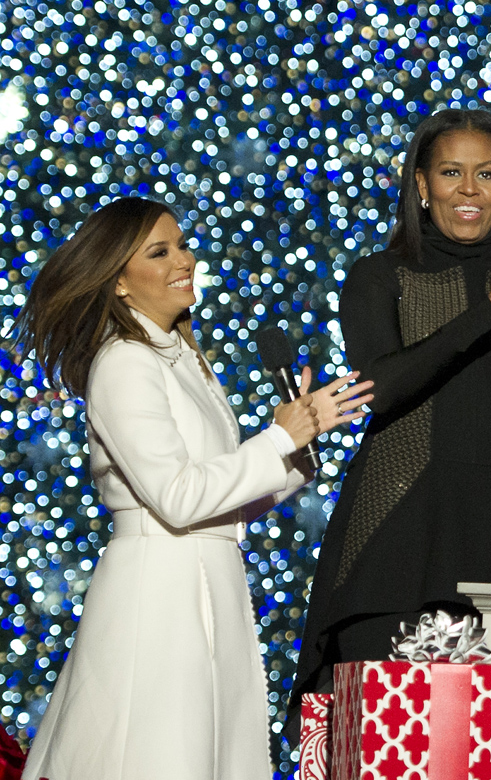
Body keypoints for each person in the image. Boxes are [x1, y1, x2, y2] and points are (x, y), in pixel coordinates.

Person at [12, 197, 372, 780]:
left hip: (209, 582)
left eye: (181, 244)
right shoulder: (124, 361)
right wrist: (277, 439)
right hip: (159, 594)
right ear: (120, 283)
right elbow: (177, 497)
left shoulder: (181, 357)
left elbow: (221, 500)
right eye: (160, 251)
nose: (184, 259)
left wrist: (299, 446)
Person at [290, 108, 491, 719]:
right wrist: (489, 307)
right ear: (421, 185)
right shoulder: (380, 276)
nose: (470, 191)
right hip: (397, 547)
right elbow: (381, 387)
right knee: (386, 749)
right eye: (451, 173)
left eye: (488, 174)